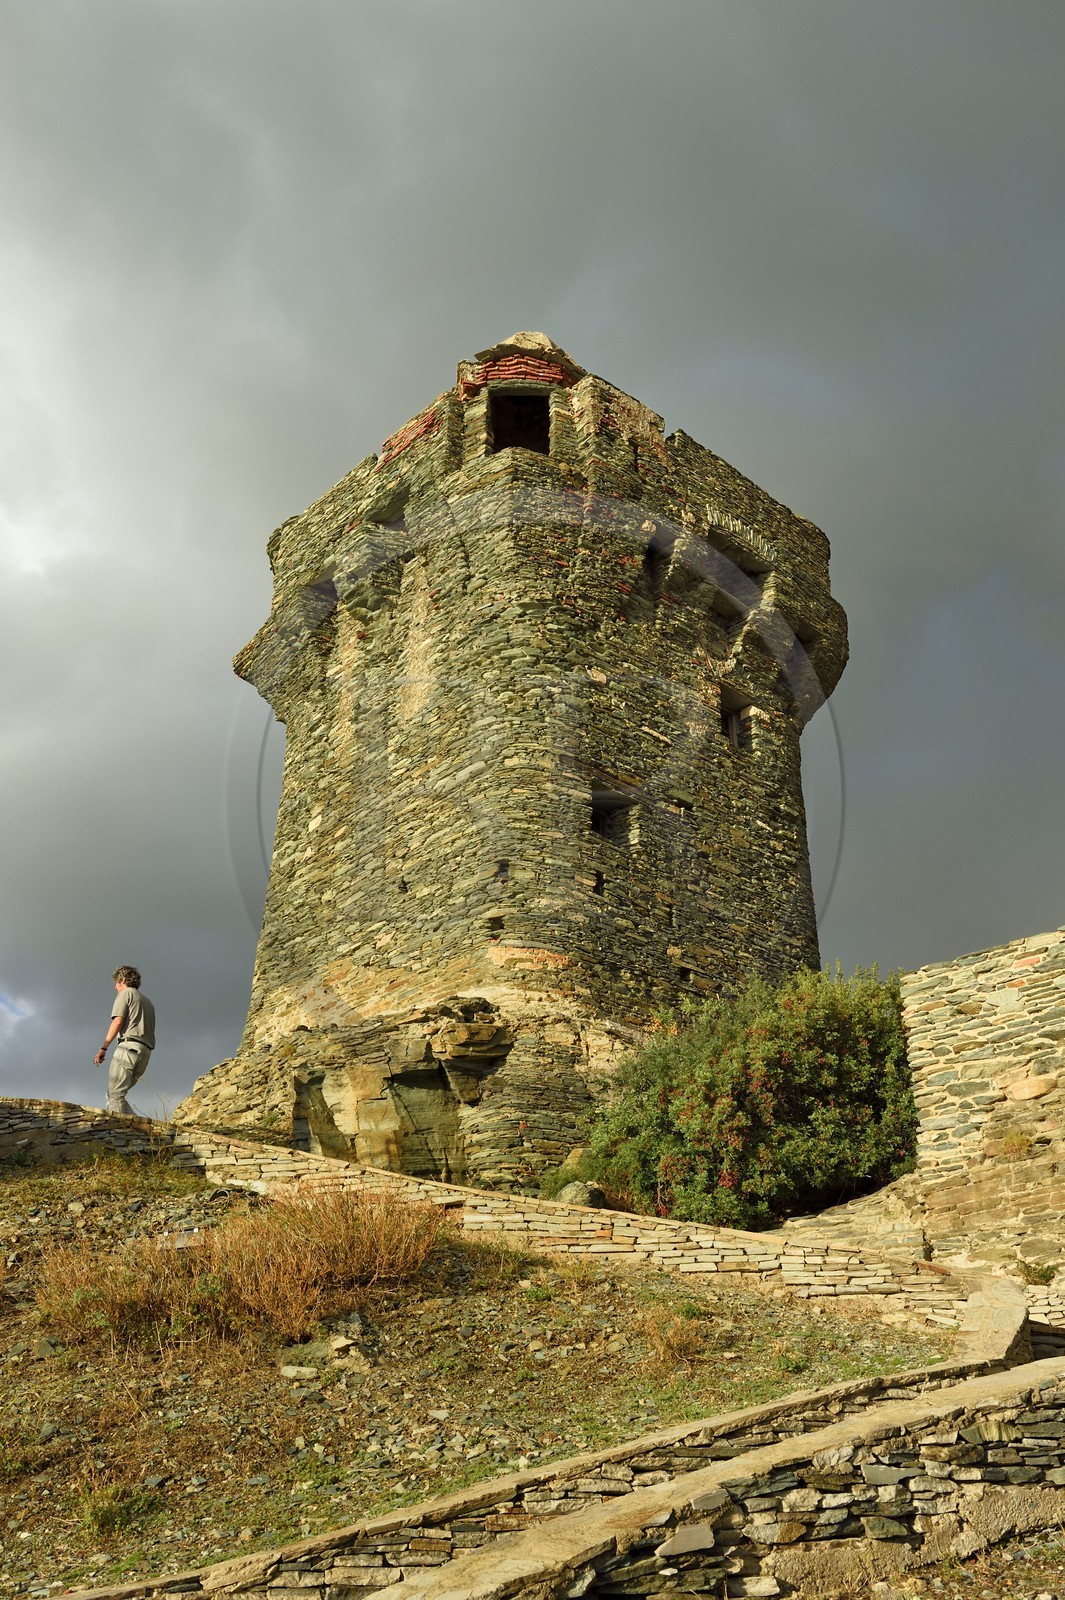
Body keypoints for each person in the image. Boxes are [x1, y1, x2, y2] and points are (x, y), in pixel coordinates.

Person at [94, 965, 156, 1115]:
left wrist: (103, 1048)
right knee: (118, 1095)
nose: (115, 987)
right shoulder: (148, 1003)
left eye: (116, 983)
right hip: (145, 1052)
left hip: (128, 1048)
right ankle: (137, 1131)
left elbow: (117, 1022)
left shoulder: (125, 994)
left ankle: (117, 1132)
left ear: (122, 980)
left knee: (114, 1095)